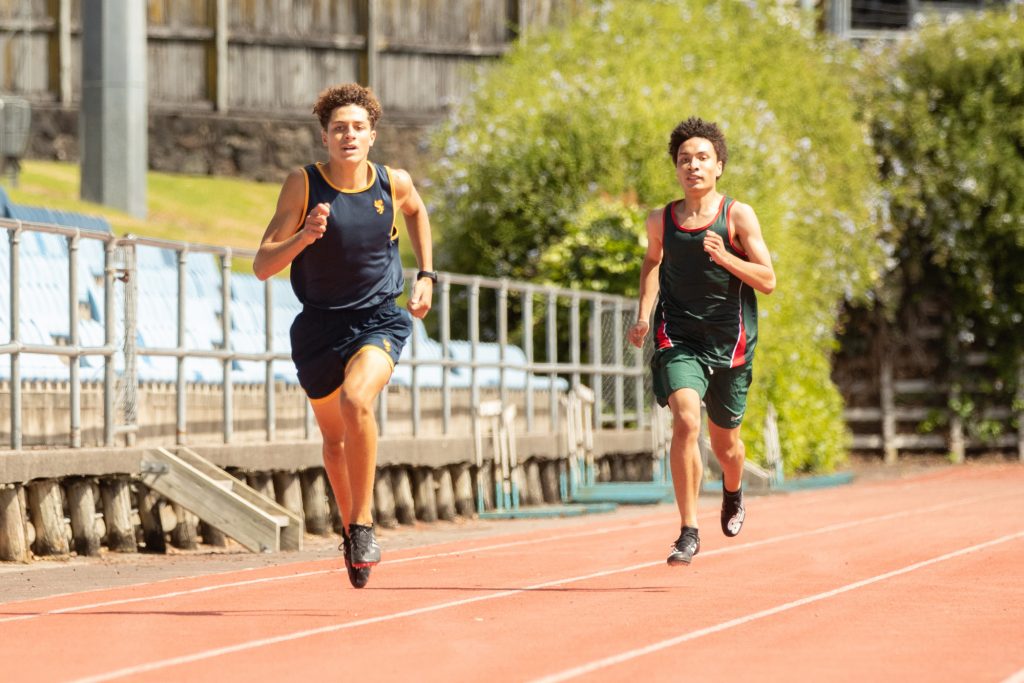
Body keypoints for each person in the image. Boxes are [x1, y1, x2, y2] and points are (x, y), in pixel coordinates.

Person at [253, 83, 435, 588]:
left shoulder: (392, 182)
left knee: (359, 400)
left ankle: (363, 524)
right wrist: (305, 235)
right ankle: (350, 527)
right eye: (339, 128)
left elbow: (418, 211)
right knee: (334, 442)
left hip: (378, 318)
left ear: (372, 135)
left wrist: (427, 274)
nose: (348, 135)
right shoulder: (302, 185)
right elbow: (263, 265)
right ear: (325, 137)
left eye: (357, 127)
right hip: (318, 327)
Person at [628, 116, 776, 566]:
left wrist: (725, 256)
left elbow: (767, 280)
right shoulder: (661, 219)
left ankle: (733, 488)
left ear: (719, 167)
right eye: (684, 159)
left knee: (727, 446)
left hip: (730, 342)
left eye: (702, 158)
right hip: (679, 336)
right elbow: (653, 263)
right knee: (686, 421)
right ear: (676, 168)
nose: (693, 166)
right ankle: (688, 529)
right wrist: (643, 314)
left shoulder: (738, 215)